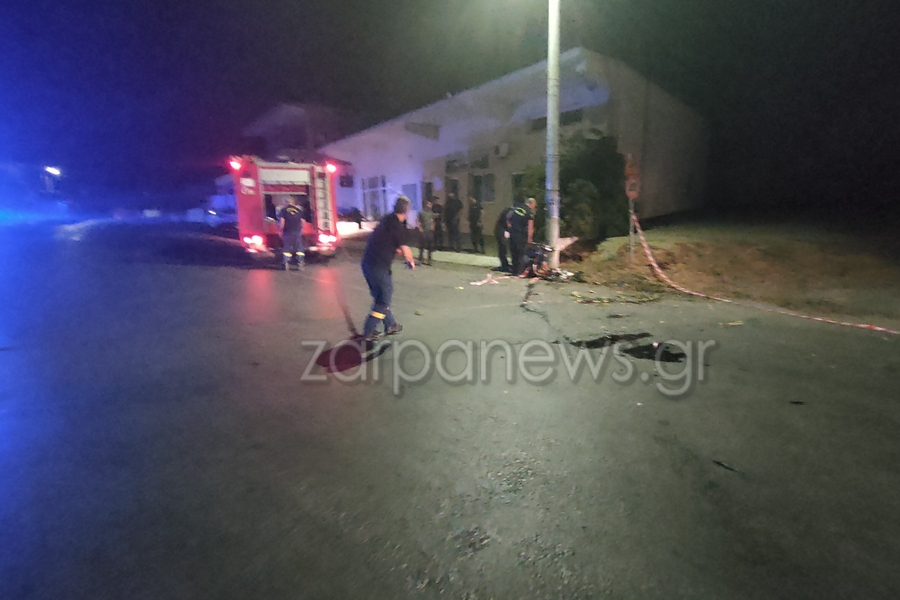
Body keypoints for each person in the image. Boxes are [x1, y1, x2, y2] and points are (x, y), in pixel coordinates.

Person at [360, 196, 416, 340]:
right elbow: (406, 249)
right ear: (406, 210)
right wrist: (410, 261)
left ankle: (390, 324)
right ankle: (368, 331)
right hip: (379, 267)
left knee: (380, 298)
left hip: (368, 264)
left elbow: (386, 241)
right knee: (383, 300)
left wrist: (394, 250)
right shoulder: (398, 226)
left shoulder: (386, 220)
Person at [507, 197, 536, 277]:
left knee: (513, 252)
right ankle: (519, 272)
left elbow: (508, 219)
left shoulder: (516, 208)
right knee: (521, 253)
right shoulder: (529, 212)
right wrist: (529, 238)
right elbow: (530, 226)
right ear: (532, 204)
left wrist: (511, 228)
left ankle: (514, 271)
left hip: (513, 234)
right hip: (522, 235)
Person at [278, 196, 305, 271]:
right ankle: (300, 263)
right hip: (297, 231)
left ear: (287, 202)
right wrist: (301, 229)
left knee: (287, 248)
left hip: (288, 231)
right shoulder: (299, 210)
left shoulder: (283, 210)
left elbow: (282, 221)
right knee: (299, 248)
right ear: (293, 202)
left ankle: (286, 263)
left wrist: (280, 230)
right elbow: (303, 221)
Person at [493, 205, 513, 272]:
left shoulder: (508, 210)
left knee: (502, 248)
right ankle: (505, 265)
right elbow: (508, 222)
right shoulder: (510, 211)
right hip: (502, 231)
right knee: (503, 248)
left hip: (501, 230)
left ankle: (505, 265)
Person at [417, 199, 435, 265]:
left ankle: (429, 259)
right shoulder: (421, 212)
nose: (430, 205)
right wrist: (420, 228)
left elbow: (432, 220)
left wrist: (433, 227)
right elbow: (418, 221)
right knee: (422, 245)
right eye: (429, 204)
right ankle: (420, 259)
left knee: (430, 246)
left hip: (429, 230)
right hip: (423, 231)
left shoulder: (431, 213)